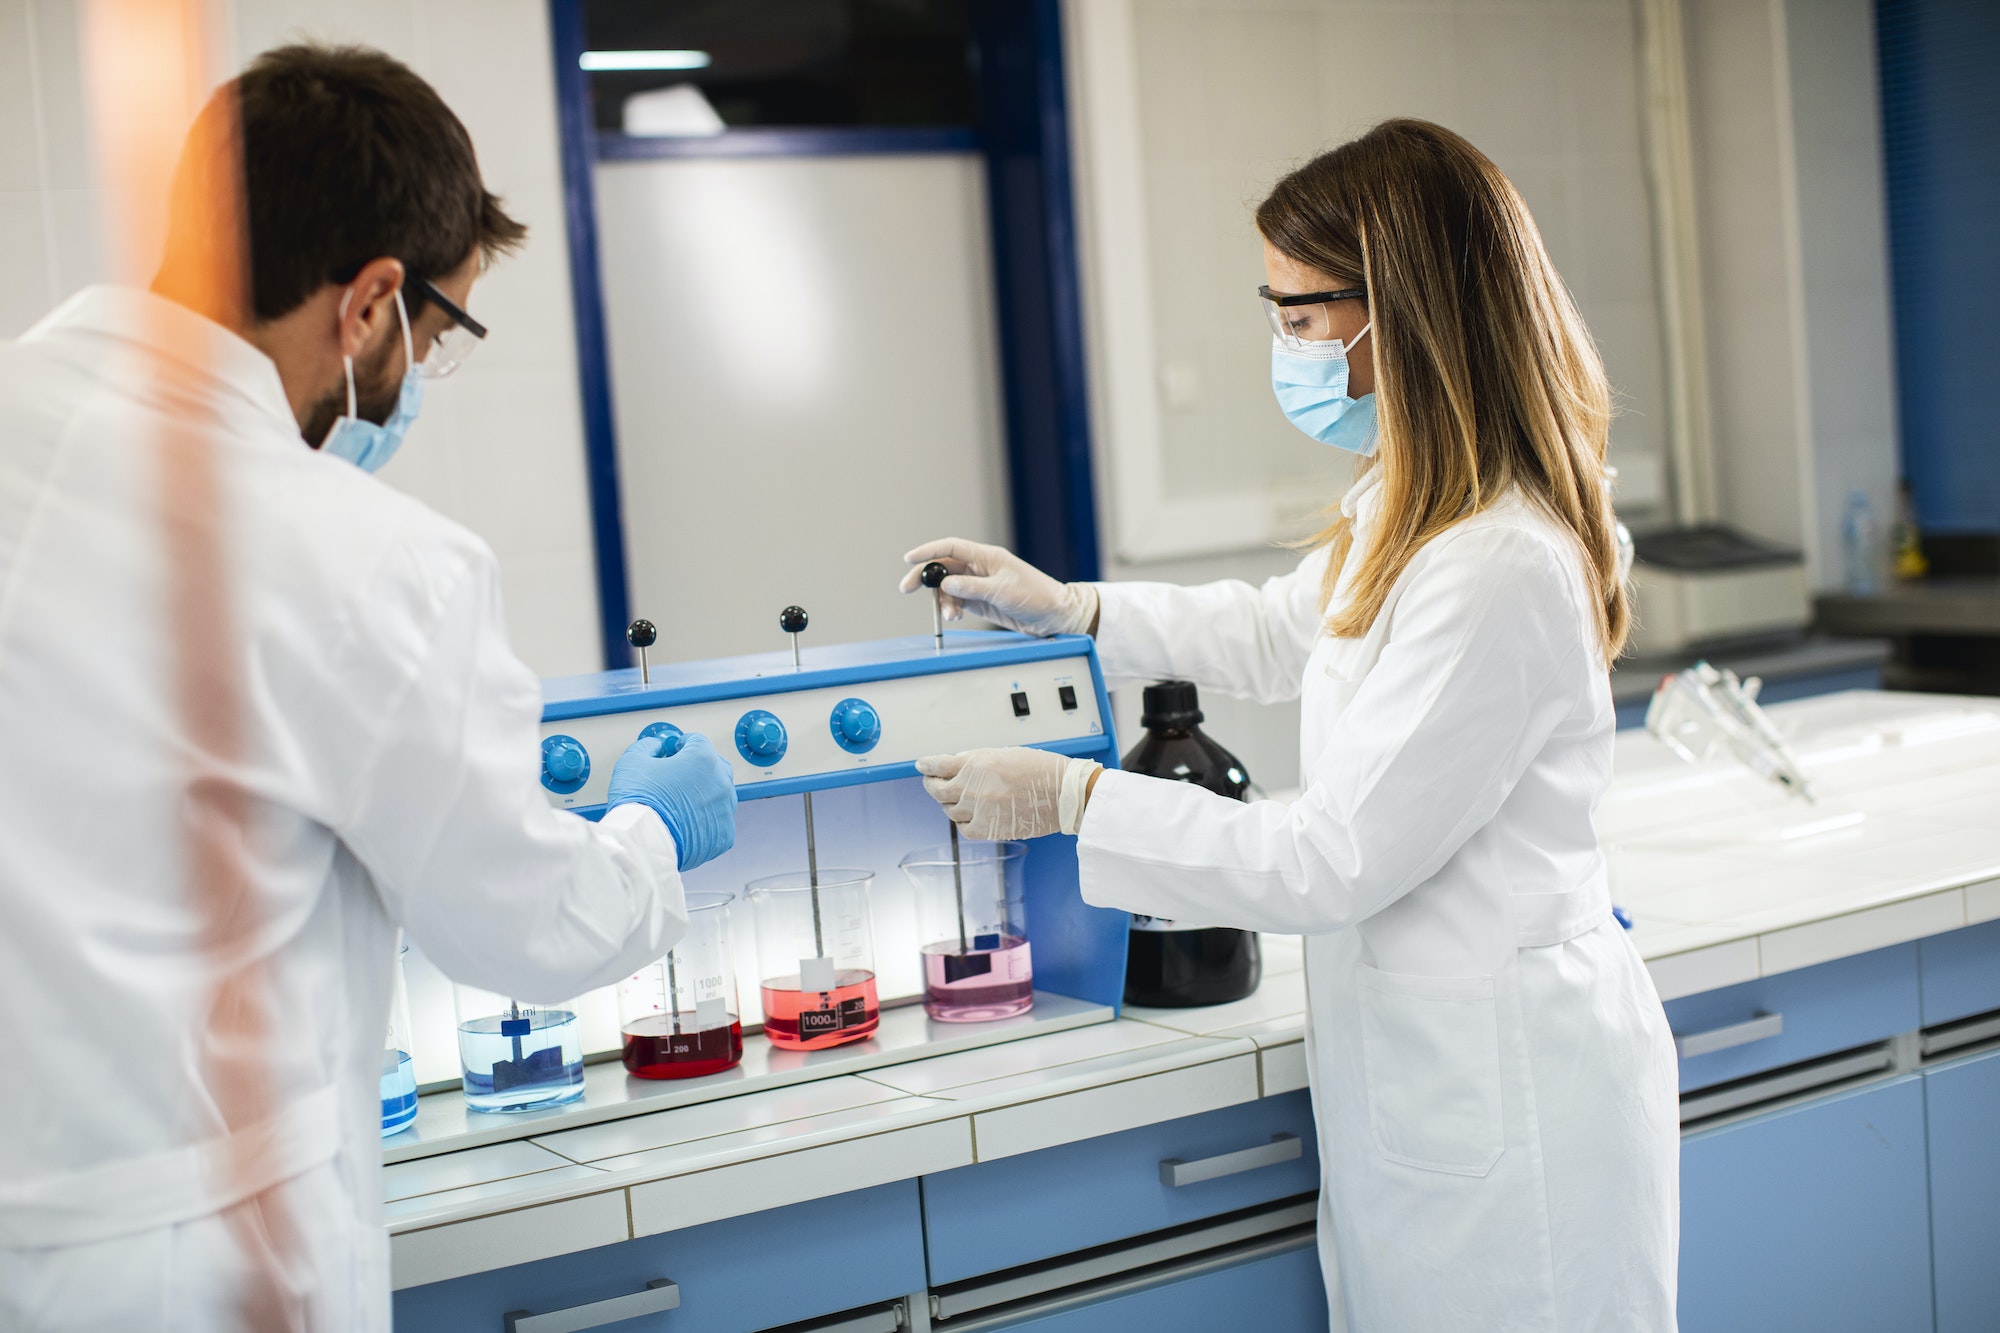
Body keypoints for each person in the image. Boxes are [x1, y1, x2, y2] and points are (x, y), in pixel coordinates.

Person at [0, 45, 737, 1331]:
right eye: (435, 330)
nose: (415, 374)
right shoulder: (363, 559)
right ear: (369, 304)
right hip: (185, 1267)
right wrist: (646, 836)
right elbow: (529, 927)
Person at [902, 119, 1678, 1331]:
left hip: (1516, 1109)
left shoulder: (1497, 563)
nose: (1282, 345)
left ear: (1400, 317)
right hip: (1435, 1081)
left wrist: (1069, 801)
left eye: (1298, 315)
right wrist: (1073, 609)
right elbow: (1282, 629)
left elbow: (1332, 857)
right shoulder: (1419, 510)